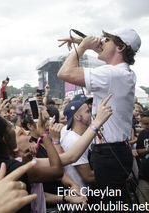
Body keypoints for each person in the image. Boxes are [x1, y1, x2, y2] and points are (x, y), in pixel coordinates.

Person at [57, 27, 141, 203]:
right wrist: (82, 42)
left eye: (107, 39)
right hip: (115, 150)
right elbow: (105, 49)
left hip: (109, 152)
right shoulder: (122, 72)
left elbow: (64, 73)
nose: (101, 42)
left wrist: (82, 48)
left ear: (120, 47)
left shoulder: (112, 73)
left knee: (111, 204)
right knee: (116, 201)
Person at [136, 110, 149, 203]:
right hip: (144, 176)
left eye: (147, 123)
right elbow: (138, 151)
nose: (145, 126)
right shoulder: (143, 133)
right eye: (144, 124)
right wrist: (147, 150)